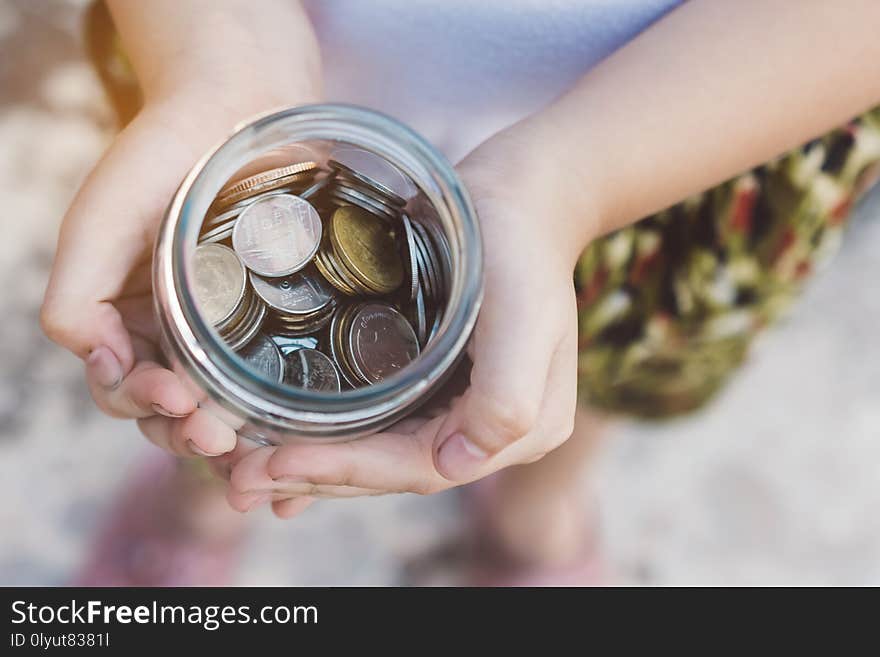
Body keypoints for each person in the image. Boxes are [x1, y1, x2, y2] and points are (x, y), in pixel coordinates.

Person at [42, 0, 880, 585]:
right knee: (212, 381)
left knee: (603, 357)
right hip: (261, 89)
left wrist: (574, 180)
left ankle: (534, 515)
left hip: (691, 130)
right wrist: (214, 53)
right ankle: (207, 497)